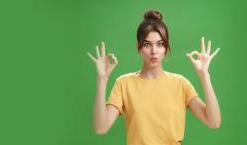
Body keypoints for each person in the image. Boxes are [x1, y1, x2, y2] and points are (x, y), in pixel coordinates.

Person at [87, 9, 221, 145]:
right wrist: (101, 80)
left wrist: (205, 75)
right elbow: (100, 128)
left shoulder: (181, 84)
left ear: (166, 47)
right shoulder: (124, 84)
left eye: (160, 44)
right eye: (147, 44)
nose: (154, 51)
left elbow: (214, 122)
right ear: (138, 47)